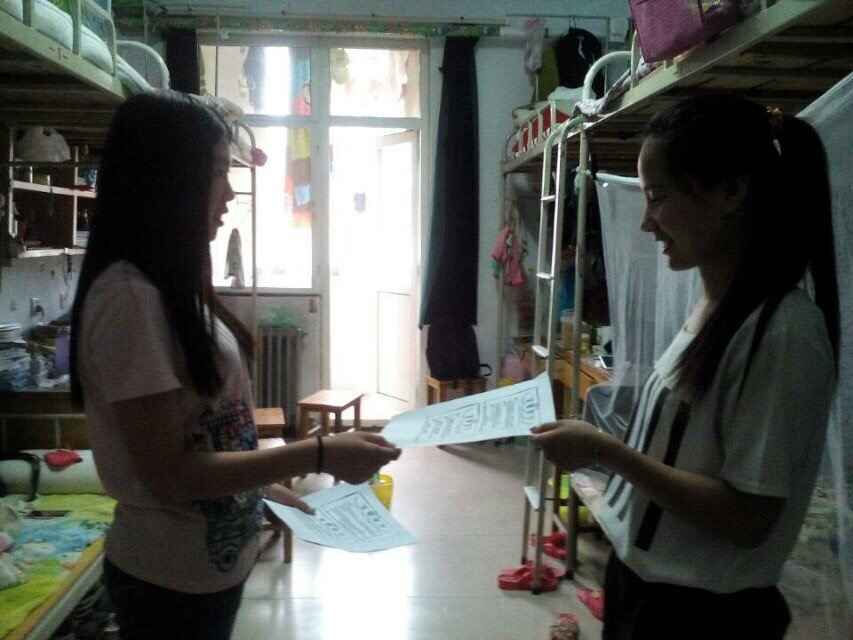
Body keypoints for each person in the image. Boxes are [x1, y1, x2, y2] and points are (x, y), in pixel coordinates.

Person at [69, 92, 401, 640]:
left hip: (205, 571)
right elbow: (169, 473)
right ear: (167, 180)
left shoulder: (170, 288)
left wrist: (265, 496)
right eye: (218, 172)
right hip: (167, 584)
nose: (228, 192)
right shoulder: (128, 299)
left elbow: (208, 434)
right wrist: (317, 453)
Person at [531, 94, 839, 639]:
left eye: (658, 197)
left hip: (702, 616)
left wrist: (606, 452)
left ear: (730, 193)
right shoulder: (714, 308)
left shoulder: (782, 332)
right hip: (645, 589)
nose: (646, 223)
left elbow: (748, 517)